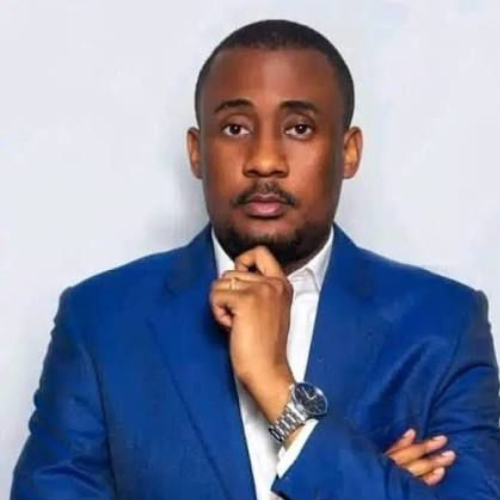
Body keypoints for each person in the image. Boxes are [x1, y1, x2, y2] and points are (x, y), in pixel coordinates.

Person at [11, 19, 500, 500]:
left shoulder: (444, 325)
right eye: (235, 127)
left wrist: (275, 386)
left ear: (348, 152)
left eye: (300, 128)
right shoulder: (100, 321)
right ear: (197, 152)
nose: (265, 160)